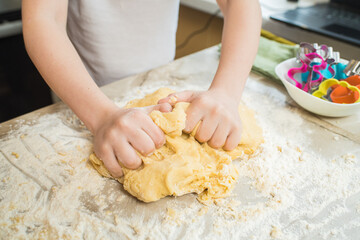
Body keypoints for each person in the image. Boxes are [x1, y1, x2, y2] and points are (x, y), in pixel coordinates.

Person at [22, 0, 261, 178]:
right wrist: (101, 116)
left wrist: (227, 92)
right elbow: (44, 18)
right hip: (81, 96)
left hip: (160, 83)